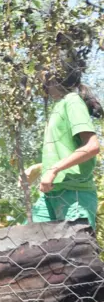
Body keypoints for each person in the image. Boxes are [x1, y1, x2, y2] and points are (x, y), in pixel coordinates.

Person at [23, 50, 101, 229]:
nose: (39, 78)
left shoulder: (72, 101)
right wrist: (40, 168)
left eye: (42, 71)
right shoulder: (59, 105)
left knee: (76, 253)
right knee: (26, 245)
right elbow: (69, 151)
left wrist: (54, 169)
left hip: (75, 196)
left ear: (53, 74)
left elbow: (92, 146)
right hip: (51, 194)